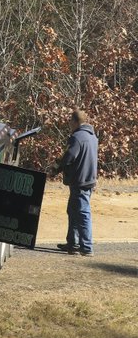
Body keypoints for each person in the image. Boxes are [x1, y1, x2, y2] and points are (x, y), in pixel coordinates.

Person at [48, 109, 98, 256]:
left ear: (76, 122)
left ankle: (87, 247)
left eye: (70, 121)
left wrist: (55, 169)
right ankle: (73, 244)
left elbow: (68, 157)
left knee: (83, 213)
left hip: (79, 180)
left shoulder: (77, 138)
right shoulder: (92, 136)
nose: (69, 124)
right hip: (89, 178)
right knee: (73, 211)